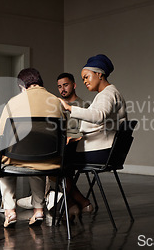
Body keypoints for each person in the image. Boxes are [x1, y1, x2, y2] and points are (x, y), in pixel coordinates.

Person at [0, 68, 64, 228]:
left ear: (22, 86)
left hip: (17, 158)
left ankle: (10, 211)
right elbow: (64, 131)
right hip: (49, 159)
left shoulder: (13, 102)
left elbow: (0, 135)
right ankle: (38, 210)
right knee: (37, 163)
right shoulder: (56, 101)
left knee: (4, 164)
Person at [58, 54, 128, 221]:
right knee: (64, 159)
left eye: (87, 77)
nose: (85, 81)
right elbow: (102, 126)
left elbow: (99, 115)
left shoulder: (107, 94)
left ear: (99, 74)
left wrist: (69, 108)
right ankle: (78, 203)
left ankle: (71, 204)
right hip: (107, 151)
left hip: (101, 152)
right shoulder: (110, 92)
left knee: (57, 161)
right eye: (83, 79)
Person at [16, 72, 89, 211]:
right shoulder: (56, 104)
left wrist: (71, 138)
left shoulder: (82, 106)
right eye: (59, 86)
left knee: (50, 162)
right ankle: (55, 198)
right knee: (45, 154)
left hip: (75, 147)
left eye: (65, 85)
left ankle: (62, 200)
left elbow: (86, 132)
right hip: (58, 145)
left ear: (74, 85)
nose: (62, 89)